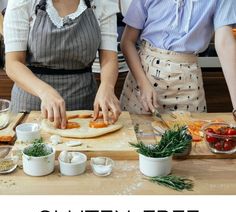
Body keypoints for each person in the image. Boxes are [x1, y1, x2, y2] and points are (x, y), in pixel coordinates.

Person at [4, 0, 121, 128]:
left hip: (84, 105)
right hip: (31, 107)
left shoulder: (101, 3)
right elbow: (13, 63)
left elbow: (109, 59)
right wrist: (44, 92)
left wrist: (107, 86)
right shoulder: (23, 2)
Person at [120, 0, 236, 121]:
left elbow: (225, 44)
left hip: (188, 83)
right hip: (144, 80)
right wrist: (142, 84)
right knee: (137, 136)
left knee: (193, 136)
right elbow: (127, 42)